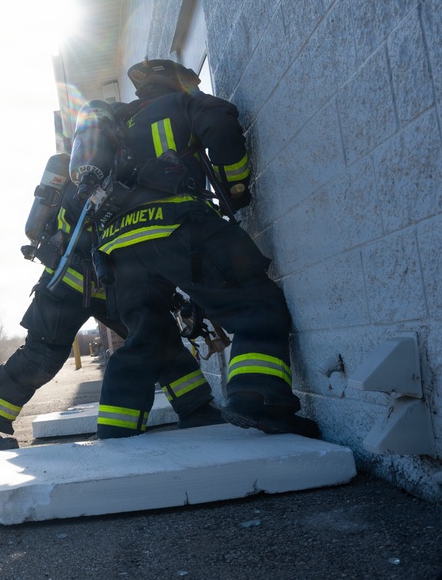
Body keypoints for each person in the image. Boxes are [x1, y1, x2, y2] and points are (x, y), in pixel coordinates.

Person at [73, 58, 318, 439]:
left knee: (143, 337)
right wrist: (235, 188)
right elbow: (220, 126)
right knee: (256, 307)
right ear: (177, 82)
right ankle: (259, 399)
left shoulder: (115, 126)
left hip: (120, 247)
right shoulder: (182, 103)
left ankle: (116, 431)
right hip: (180, 225)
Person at [0, 159, 223, 453]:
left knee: (157, 337)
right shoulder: (98, 175)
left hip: (89, 284)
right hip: (77, 283)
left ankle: (196, 409)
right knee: (45, 356)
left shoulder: (96, 169)